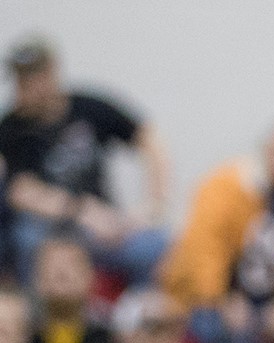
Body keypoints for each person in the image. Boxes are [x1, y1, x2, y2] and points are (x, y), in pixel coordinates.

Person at [159, 117, 274, 343]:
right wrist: (221, 299)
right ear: (266, 148)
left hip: (269, 302)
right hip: (218, 296)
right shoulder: (228, 185)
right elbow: (204, 250)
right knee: (224, 332)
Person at [0, 37, 170, 284]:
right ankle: (36, 309)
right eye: (20, 80)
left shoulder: (87, 108)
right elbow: (22, 192)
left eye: (31, 78)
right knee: (27, 240)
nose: (24, 88)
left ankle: (136, 306)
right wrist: (81, 211)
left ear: (51, 73)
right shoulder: (12, 128)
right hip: (52, 225)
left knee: (155, 246)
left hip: (103, 221)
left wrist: (153, 204)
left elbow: (150, 140)